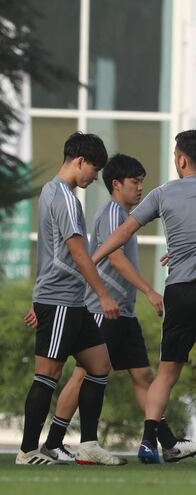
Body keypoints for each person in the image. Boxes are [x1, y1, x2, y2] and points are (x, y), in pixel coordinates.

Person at [91, 130, 196, 464]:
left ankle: (147, 442)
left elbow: (124, 232)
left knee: (167, 371)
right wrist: (188, 249)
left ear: (181, 159)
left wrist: (92, 259)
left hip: (180, 292)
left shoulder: (162, 194)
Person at [40, 154, 196, 463]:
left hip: (123, 314)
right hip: (104, 311)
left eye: (143, 181)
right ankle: (53, 442)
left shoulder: (119, 213)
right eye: (135, 182)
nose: (141, 188)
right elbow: (115, 258)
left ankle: (168, 443)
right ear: (116, 185)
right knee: (82, 375)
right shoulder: (114, 213)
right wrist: (149, 291)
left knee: (143, 377)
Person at [17, 132, 125, 466]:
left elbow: (48, 251)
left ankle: (89, 444)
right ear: (79, 161)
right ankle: (28, 451)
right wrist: (104, 294)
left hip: (71, 302)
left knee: (99, 365)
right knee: (47, 375)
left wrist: (36, 298)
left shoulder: (56, 193)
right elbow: (77, 253)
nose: (95, 178)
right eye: (94, 170)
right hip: (60, 300)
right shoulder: (62, 196)